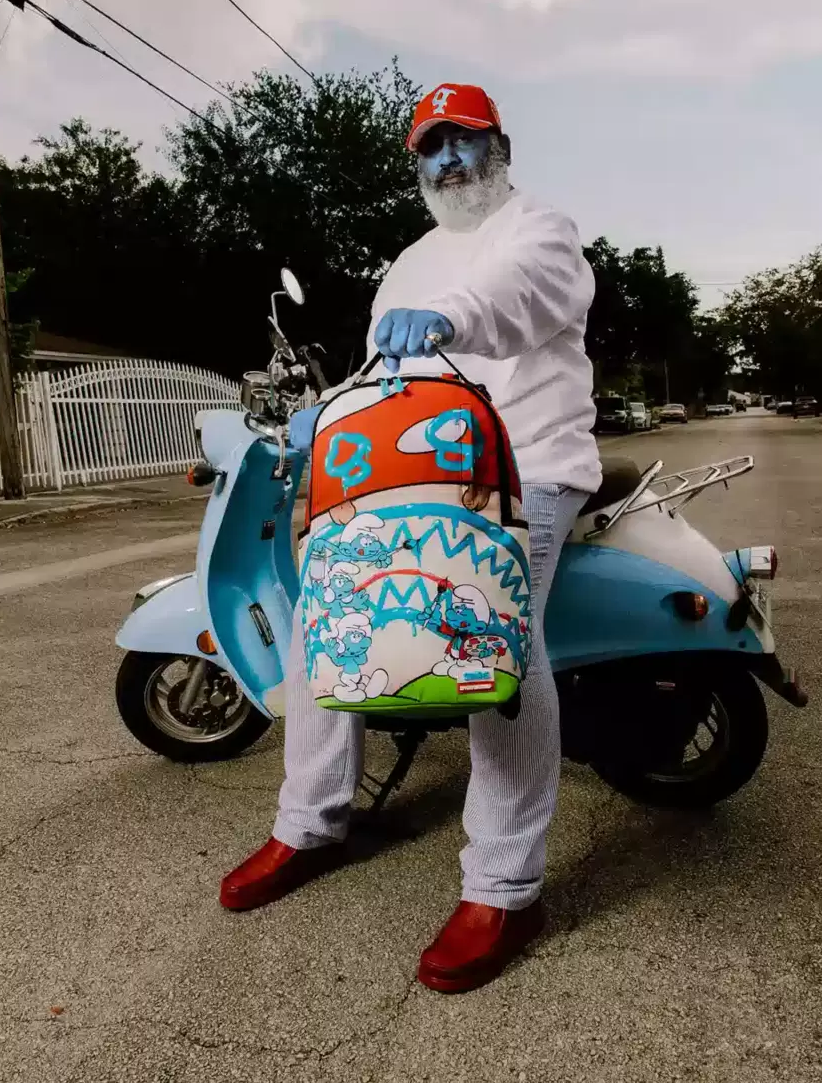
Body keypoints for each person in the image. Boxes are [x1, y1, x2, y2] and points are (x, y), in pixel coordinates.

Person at [219, 83, 603, 993]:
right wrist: (328, 411)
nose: (447, 160)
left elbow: (513, 295)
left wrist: (451, 317)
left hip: (527, 463)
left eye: (462, 139)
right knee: (325, 612)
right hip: (410, 469)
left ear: (499, 146)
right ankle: (309, 823)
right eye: (431, 147)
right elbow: (380, 368)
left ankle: (505, 887)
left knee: (494, 631)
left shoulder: (539, 231)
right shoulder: (408, 261)